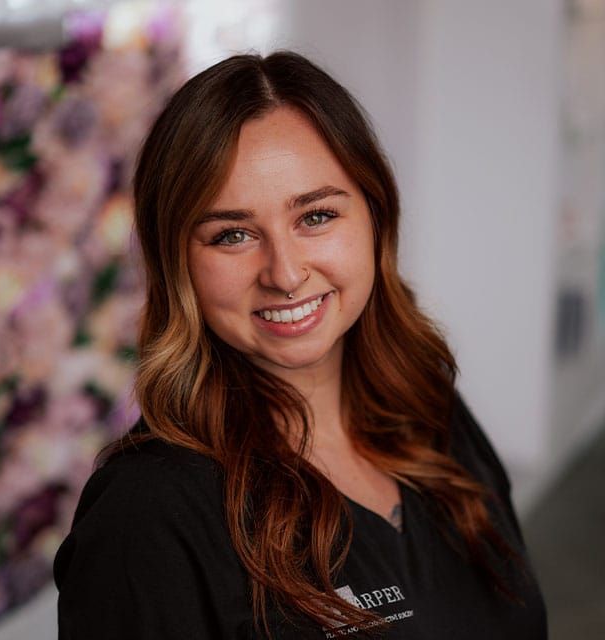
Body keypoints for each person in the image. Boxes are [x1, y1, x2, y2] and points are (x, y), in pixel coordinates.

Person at [53, 51, 547, 639]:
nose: (284, 273)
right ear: (177, 261)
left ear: (375, 217)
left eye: (315, 216)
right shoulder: (150, 513)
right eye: (231, 234)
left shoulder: (429, 411)